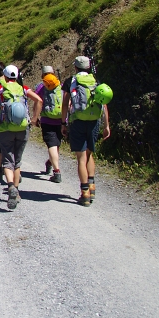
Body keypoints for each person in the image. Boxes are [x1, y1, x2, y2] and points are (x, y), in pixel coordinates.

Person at [0, 65, 42, 210]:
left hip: (5, 128)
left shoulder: (0, 88)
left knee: (7, 159)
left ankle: (10, 186)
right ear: (16, 76)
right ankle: (16, 191)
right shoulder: (23, 88)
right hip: (23, 128)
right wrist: (34, 119)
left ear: (4, 76)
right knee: (17, 161)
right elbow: (39, 100)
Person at [61, 56, 111, 206]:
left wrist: (63, 123)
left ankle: (85, 194)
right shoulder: (96, 81)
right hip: (94, 122)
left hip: (78, 122)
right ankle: (92, 186)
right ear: (89, 67)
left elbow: (64, 104)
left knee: (81, 158)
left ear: (75, 67)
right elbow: (104, 104)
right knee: (89, 154)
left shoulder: (71, 81)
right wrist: (107, 125)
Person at [34, 66, 64, 183]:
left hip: (47, 120)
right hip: (60, 120)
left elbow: (37, 102)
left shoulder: (41, 86)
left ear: (42, 75)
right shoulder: (60, 85)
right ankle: (50, 162)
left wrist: (35, 117)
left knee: (51, 145)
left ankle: (56, 172)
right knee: (56, 145)